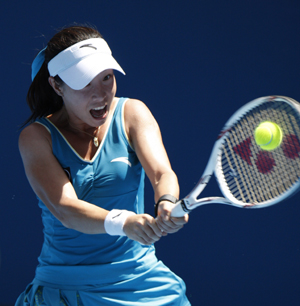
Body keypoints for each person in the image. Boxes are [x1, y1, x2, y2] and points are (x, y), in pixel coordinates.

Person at [15, 25, 190, 305]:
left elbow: (161, 173)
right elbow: (65, 209)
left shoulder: (132, 112)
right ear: (56, 85)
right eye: (85, 83)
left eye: (107, 78)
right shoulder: (36, 137)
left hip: (141, 281)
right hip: (65, 290)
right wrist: (125, 222)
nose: (101, 95)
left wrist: (166, 201)